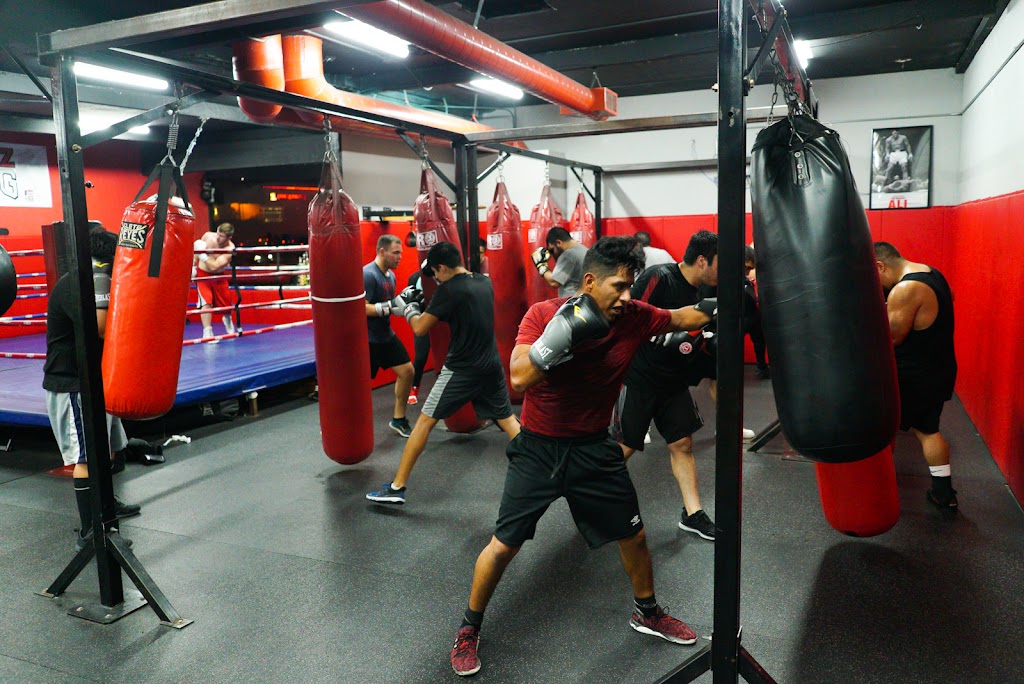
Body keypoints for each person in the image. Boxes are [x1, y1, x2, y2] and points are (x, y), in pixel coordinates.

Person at [449, 236, 716, 677]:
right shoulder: (542, 315)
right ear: (589, 281)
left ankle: (646, 611)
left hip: (595, 449)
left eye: (631, 286)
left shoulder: (631, 316)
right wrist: (563, 334)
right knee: (503, 546)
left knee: (633, 536)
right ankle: (468, 628)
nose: (627, 297)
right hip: (539, 449)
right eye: (618, 287)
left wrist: (719, 306)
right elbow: (518, 377)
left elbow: (677, 317)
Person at [366, 242, 521, 505]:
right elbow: (463, 313)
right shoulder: (484, 282)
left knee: (424, 422)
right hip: (490, 364)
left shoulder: (449, 290)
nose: (435, 280)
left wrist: (410, 308)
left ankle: (396, 487)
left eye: (435, 274)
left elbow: (420, 329)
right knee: (507, 420)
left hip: (462, 369)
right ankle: (544, 466)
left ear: (441, 267)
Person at [612, 230, 720, 541]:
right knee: (624, 448)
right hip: (641, 377)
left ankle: (692, 513)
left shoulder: (704, 293)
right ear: (702, 260)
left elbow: (695, 339)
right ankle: (589, 497)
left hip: (673, 382)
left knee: (682, 445)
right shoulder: (660, 277)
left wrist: (704, 342)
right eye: (719, 263)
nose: (722, 270)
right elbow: (629, 318)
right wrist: (670, 335)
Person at [44, 224, 140, 551]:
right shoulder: (78, 284)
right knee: (87, 457)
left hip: (97, 379)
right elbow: (101, 328)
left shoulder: (99, 281)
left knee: (109, 448)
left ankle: (107, 505)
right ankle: (89, 530)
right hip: (73, 383)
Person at [874, 242, 958, 511]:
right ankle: (944, 493)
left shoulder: (905, 289)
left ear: (880, 266)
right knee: (928, 430)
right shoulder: (932, 274)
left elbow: (892, 337)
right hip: (939, 368)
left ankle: (879, 490)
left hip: (911, 374)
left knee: (885, 428)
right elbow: (949, 298)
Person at [364, 234, 415, 438]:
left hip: (385, 336)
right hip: (367, 340)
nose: (400, 257)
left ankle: (399, 419)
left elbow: (389, 304)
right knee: (356, 388)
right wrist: (388, 307)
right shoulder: (368, 274)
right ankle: (344, 424)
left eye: (401, 252)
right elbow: (360, 308)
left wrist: (402, 302)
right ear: (382, 251)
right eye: (396, 252)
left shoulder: (390, 276)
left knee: (407, 371)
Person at [194, 222, 237, 342]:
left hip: (218, 276)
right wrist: (193, 264)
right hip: (203, 275)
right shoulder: (208, 236)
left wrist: (203, 256)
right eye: (218, 234)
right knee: (206, 302)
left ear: (229, 238)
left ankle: (227, 319)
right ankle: (207, 332)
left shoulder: (229, 249)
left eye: (222, 236)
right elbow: (197, 252)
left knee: (226, 303)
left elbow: (214, 267)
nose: (218, 238)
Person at [530, 226, 587, 296]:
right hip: (584, 300)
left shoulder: (568, 255)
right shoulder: (584, 249)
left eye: (552, 250)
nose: (553, 255)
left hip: (572, 302)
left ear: (558, 243)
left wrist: (541, 265)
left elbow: (554, 282)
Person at [405, 269, 430, 406]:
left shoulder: (442, 274)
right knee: (420, 357)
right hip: (423, 320)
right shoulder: (414, 277)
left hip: (441, 321)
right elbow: (410, 300)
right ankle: (414, 389)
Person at [744, 245, 770, 379]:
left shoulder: (746, 282)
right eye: (746, 268)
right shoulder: (722, 280)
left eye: (750, 269)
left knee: (760, 338)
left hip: (751, 317)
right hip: (733, 319)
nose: (748, 273)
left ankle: (762, 367)